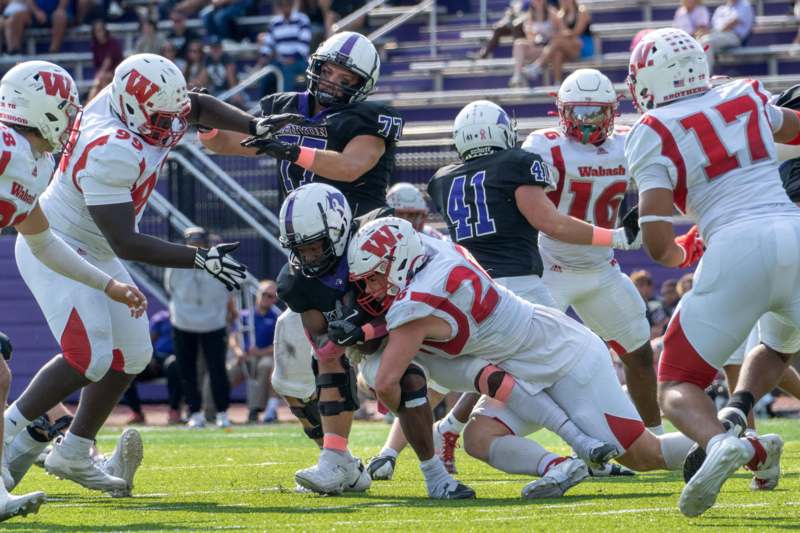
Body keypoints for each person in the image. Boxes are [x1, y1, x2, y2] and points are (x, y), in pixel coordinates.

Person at [3, 52, 292, 496]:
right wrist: (199, 258)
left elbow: (194, 107)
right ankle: (7, 438)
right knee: (90, 357)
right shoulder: (111, 147)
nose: (170, 126)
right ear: (132, 107)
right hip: (61, 242)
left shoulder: (141, 105)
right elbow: (127, 242)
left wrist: (254, 125)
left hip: (93, 245)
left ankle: (74, 450)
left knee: (133, 355)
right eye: (160, 117)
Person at [348, 217, 697, 499]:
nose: (371, 289)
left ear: (400, 263)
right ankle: (559, 467)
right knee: (479, 438)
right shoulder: (429, 253)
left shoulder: (419, 303)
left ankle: (731, 442)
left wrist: (363, 345)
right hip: (523, 362)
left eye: (376, 277)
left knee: (643, 455)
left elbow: (386, 381)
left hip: (565, 359)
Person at [625, 27, 799, 516]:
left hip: (736, 247)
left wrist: (685, 250)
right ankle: (752, 436)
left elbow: (659, 247)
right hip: (794, 231)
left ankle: (721, 441)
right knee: (780, 344)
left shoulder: (652, 129)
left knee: (676, 383)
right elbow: (796, 128)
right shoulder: (742, 94)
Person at [0, 61, 146, 521]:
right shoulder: (8, 148)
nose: (70, 116)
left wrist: (108, 284)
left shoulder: (34, 161)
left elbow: (43, 241)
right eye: (64, 107)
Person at [521, 69, 662, 434]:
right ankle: (455, 425)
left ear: (612, 111)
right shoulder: (545, 145)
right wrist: (617, 236)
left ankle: (654, 438)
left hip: (601, 270)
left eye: (595, 113)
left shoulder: (628, 142)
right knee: (521, 360)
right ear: (562, 111)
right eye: (579, 113)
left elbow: (666, 178)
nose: (586, 122)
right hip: (551, 268)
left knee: (640, 354)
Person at [201, 31, 402, 219]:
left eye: (345, 80)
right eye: (327, 72)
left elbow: (349, 167)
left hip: (360, 233)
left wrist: (292, 152)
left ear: (361, 86)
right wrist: (207, 125)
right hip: (304, 235)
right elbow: (225, 143)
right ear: (316, 67)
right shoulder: (285, 106)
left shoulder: (367, 117)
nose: (331, 82)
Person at [165, 226, 237, 429]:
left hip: (214, 323)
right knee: (187, 370)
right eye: (192, 244)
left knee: (217, 370)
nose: (195, 248)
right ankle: (195, 413)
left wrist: (230, 313)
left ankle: (222, 412)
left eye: (199, 244)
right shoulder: (174, 264)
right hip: (183, 323)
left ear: (207, 244)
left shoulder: (222, 261)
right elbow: (172, 290)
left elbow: (229, 291)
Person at [228, 280, 282, 423]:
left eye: (271, 296)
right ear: (258, 294)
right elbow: (233, 337)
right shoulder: (244, 315)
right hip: (244, 357)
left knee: (266, 367)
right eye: (264, 294)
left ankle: (255, 410)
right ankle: (210, 411)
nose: (267, 298)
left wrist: (261, 352)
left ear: (275, 299)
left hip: (265, 356)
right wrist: (238, 352)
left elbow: (280, 344)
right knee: (222, 375)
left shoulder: (277, 318)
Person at [121, 309, 183, 425]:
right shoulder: (161, 318)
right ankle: (137, 412)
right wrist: (150, 357)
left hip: (176, 362)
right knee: (127, 370)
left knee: (173, 365)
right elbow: (149, 340)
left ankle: (174, 410)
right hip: (156, 360)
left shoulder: (186, 319)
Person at [521, 0, 594, 85]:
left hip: (582, 46)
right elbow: (561, 32)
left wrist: (560, 34)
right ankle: (557, 82)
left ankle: (538, 65)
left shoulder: (581, 11)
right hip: (565, 46)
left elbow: (577, 32)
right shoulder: (561, 14)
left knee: (557, 40)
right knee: (557, 53)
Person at [257, 0, 312, 94]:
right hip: (280, 61)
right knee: (265, 73)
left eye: (287, 3)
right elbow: (268, 44)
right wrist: (263, 59)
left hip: (300, 61)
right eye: (282, 4)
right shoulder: (274, 22)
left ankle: (285, 104)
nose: (285, 6)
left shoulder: (302, 20)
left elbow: (304, 45)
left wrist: (292, 58)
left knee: (286, 70)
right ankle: (264, 104)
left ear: (292, 4)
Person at [509, 0, 559, 88]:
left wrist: (549, 34)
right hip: (538, 48)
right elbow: (531, 41)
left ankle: (536, 67)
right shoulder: (529, 16)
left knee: (553, 44)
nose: (538, 1)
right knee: (519, 43)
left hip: (552, 48)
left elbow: (560, 34)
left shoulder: (553, 13)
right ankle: (517, 76)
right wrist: (532, 34)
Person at [698, 0, 753, 73]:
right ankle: (697, 75)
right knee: (699, 41)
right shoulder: (721, 8)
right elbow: (714, 26)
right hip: (718, 35)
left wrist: (711, 32)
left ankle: (704, 75)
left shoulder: (744, 5)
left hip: (734, 37)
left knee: (706, 42)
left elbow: (732, 23)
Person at [3, 0, 70, 54]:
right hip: (37, 15)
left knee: (60, 15)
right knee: (17, 16)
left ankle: (53, 51)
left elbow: (62, 5)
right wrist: (36, 12)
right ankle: (15, 51)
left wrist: (60, 9)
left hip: (56, 14)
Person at [88, 19, 124, 101]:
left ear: (105, 30)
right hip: (103, 77)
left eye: (100, 30)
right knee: (100, 83)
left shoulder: (113, 43)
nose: (99, 33)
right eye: (96, 31)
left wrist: (100, 75)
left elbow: (108, 61)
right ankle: (90, 104)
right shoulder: (95, 46)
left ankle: (89, 104)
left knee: (99, 81)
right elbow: (97, 65)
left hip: (117, 73)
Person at [630, 269, 669, 338]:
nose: (645, 287)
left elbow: (661, 328)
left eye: (648, 283)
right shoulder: (628, 305)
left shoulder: (659, 303)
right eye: (641, 284)